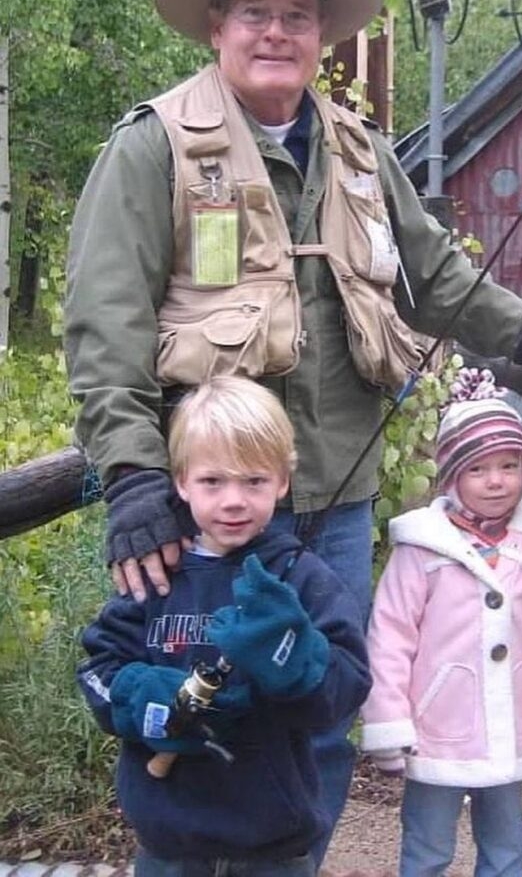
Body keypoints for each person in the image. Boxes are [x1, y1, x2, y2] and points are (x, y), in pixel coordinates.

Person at [63, 0, 522, 861]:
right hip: (203, 507)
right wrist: (137, 476)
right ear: (216, 27)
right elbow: (105, 330)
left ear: (320, 37)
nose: (275, 32)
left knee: (316, 711)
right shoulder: (151, 149)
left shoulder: (360, 151)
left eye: (296, 15)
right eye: (254, 11)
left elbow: (441, 279)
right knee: (178, 711)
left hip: (335, 501)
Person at [77, 375, 371, 877]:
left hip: (273, 847)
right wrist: (147, 700)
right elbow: (97, 672)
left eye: (254, 481)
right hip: (167, 845)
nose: (233, 500)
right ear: (181, 482)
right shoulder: (156, 574)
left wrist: (293, 657)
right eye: (213, 481)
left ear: (282, 481)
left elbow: (346, 690)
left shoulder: (300, 578)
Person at [361, 368, 522, 877]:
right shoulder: (421, 550)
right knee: (428, 846)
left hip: (511, 727)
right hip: (435, 729)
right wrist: (389, 719)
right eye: (479, 469)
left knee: (507, 844)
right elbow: (390, 636)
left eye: (509, 465)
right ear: (452, 475)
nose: (497, 481)